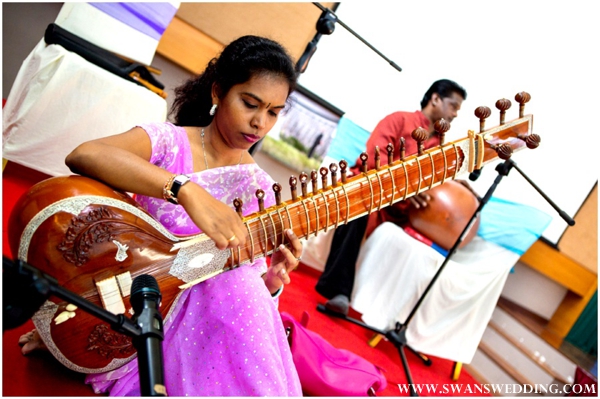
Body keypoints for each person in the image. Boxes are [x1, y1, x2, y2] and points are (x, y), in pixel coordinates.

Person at [20, 35, 304, 397]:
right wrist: (184, 190)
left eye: (274, 112)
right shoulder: (172, 143)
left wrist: (274, 282)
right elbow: (85, 154)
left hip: (206, 323)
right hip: (137, 295)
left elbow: (242, 303)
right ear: (217, 92)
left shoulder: (259, 187)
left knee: (242, 286)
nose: (259, 123)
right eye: (250, 104)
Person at [315, 79, 467, 315]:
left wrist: (456, 186)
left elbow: (435, 184)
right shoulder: (399, 120)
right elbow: (375, 160)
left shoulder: (440, 145)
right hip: (372, 190)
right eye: (454, 105)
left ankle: (386, 316)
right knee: (360, 200)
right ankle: (339, 292)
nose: (456, 114)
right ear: (435, 99)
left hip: (400, 212)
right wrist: (404, 189)